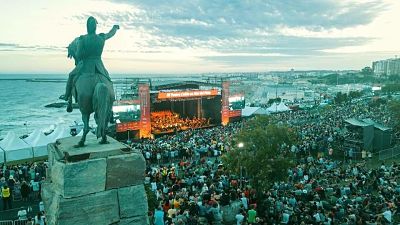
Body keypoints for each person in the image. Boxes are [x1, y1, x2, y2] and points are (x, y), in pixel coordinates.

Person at [60, 16, 119, 112]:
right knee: (108, 80)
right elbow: (110, 34)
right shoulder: (101, 37)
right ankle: (112, 99)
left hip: (85, 66)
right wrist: (115, 28)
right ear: (95, 27)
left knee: (71, 76)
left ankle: (67, 96)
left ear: (87, 27)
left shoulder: (82, 39)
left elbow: (78, 54)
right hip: (99, 66)